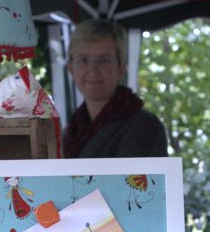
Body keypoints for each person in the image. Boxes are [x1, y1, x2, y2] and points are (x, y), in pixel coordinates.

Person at [64, 19, 168, 158]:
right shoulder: (69, 134)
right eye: (83, 60)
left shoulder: (144, 127)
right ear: (70, 68)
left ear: (121, 67)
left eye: (104, 60)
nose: (93, 69)